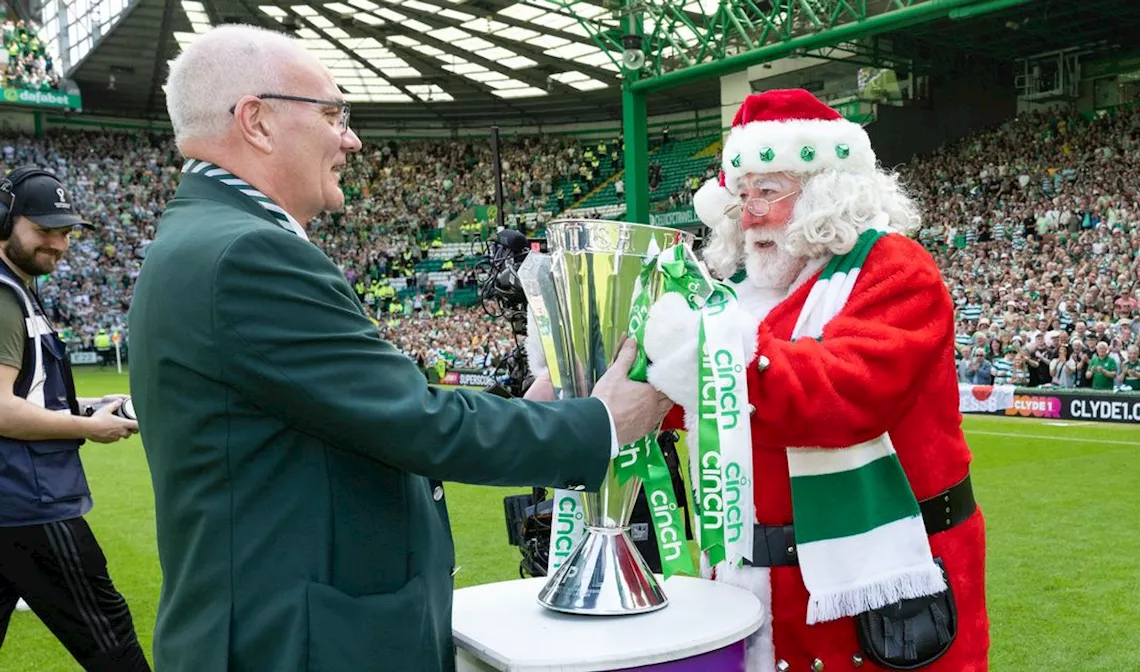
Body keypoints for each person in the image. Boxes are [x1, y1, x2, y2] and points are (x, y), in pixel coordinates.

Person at [127, 25, 670, 671]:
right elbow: (409, 420)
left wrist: (538, 410)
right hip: (295, 641)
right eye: (332, 114)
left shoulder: (208, 235)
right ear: (258, 121)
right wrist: (597, 423)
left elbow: (348, 406)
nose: (351, 139)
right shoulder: (246, 251)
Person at [637, 89, 988, 671]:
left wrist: (708, 354)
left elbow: (843, 395)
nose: (748, 213)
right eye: (740, 195)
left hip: (880, 588)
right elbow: (687, 405)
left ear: (826, 191)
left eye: (767, 192)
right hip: (764, 582)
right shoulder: (741, 295)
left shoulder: (895, 267)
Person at [0, 166, 150, 670]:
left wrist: (87, 407)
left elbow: (27, 395)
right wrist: (90, 427)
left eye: (65, 231)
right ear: (5, 222)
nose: (59, 244)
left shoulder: (19, 291)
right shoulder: (4, 296)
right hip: (30, 501)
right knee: (112, 643)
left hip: (13, 501)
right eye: (44, 230)